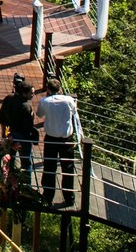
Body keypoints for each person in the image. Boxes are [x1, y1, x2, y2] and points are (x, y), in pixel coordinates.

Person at [37, 78, 79, 206]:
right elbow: (74, 112)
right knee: (68, 169)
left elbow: (39, 114)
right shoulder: (69, 100)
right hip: (66, 139)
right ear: (60, 89)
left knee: (49, 167)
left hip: (51, 138)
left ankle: (48, 196)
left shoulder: (44, 101)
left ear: (48, 90)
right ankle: (69, 197)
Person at [0, 76, 37, 181]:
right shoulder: (26, 106)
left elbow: (1, 117)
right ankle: (26, 185)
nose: (33, 95)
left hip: (9, 134)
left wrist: (4, 133)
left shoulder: (8, 98)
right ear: (24, 93)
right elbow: (28, 126)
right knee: (26, 163)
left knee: (9, 160)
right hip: (23, 137)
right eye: (31, 93)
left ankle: (8, 182)